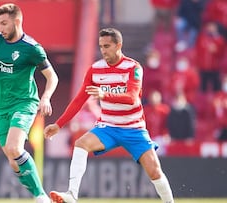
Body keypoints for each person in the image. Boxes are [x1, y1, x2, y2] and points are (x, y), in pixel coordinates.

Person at [44, 28, 174, 203]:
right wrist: (59, 125)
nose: (103, 50)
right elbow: (79, 100)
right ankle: (72, 195)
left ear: (118, 45)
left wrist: (105, 94)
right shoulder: (95, 70)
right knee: (81, 144)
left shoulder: (133, 67)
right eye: (101, 46)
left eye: (107, 46)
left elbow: (131, 97)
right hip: (108, 127)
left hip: (133, 128)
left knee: (155, 171)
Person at [0, 3, 58, 203]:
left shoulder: (32, 48)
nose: (0, 28)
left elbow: (52, 77)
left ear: (17, 21)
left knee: (14, 148)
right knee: (13, 160)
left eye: (4, 23)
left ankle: (40, 196)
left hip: (24, 103)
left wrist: (45, 97)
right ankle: (39, 194)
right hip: (1, 106)